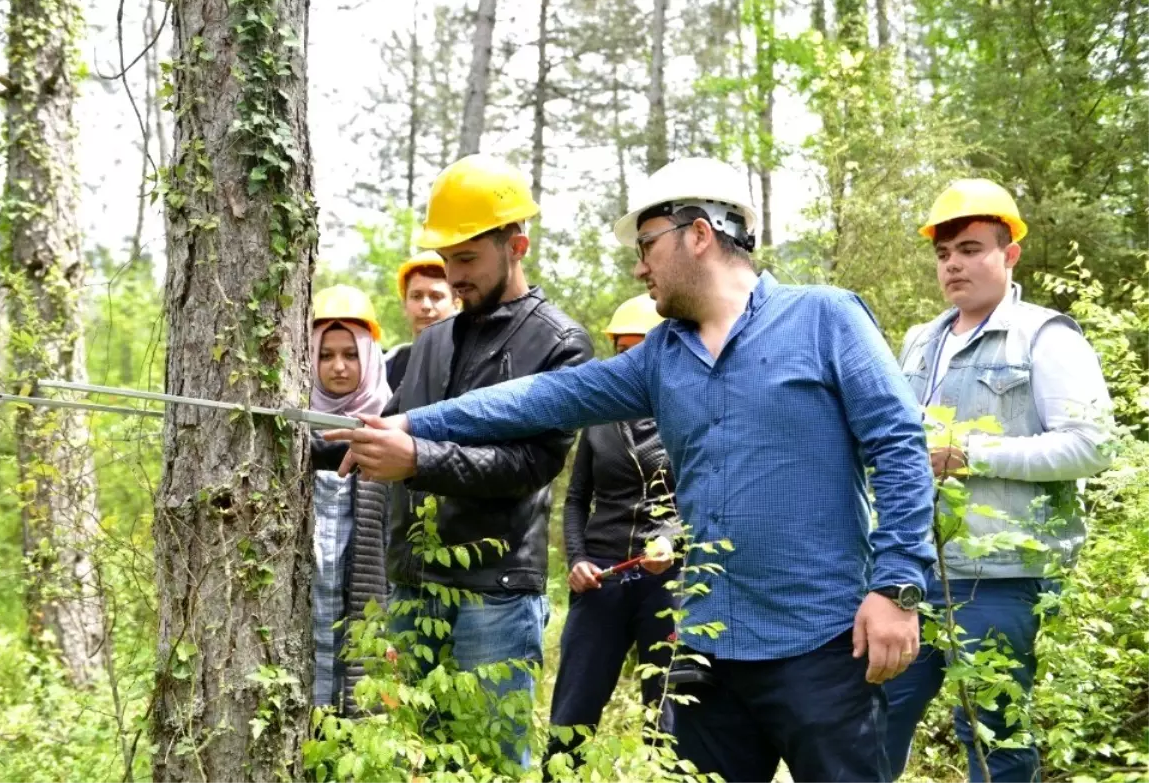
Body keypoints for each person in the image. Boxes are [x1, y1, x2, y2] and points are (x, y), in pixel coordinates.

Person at [329, 157, 936, 782]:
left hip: (823, 645)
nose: (639, 265)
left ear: (699, 233)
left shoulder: (825, 319)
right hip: (707, 654)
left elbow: (898, 446)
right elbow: (538, 398)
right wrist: (412, 423)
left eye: (647, 245)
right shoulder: (659, 360)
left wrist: (896, 587)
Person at [328, 154, 594, 766]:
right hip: (413, 586)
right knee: (415, 761)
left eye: (467, 259)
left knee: (492, 762)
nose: (452, 275)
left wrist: (416, 459)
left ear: (516, 245)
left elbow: (528, 466)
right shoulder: (434, 340)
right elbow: (392, 422)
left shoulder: (559, 345)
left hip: (495, 596)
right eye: (447, 258)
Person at [882, 179, 1113, 782]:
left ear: (1009, 255)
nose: (954, 263)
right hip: (913, 570)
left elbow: (1090, 445)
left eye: (971, 248)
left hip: (1000, 576)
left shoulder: (1046, 336)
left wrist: (971, 453)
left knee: (994, 736)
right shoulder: (919, 343)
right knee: (873, 717)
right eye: (944, 253)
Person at [545, 293, 676, 774]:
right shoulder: (598, 417)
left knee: (669, 716)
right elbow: (577, 498)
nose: (630, 359)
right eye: (621, 349)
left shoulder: (687, 413)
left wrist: (674, 540)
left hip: (667, 581)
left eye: (639, 348)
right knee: (572, 712)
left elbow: (708, 496)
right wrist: (577, 559)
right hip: (600, 576)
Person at [307, 285, 392, 714]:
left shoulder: (395, 423)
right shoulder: (287, 422)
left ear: (370, 355)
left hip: (367, 611)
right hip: (308, 614)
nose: (338, 367)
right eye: (325, 354)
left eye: (351, 354)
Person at [385, 250, 457, 392]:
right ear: (404, 305)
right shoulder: (388, 366)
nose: (425, 306)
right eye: (416, 296)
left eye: (436, 296)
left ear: (456, 303)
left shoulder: (471, 363)